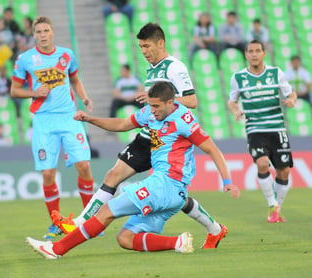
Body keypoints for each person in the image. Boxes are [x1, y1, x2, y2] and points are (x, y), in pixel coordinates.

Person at [52, 23, 232, 250]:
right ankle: (79, 223)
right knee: (118, 176)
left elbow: (192, 101)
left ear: (161, 43)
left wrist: (160, 100)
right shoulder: (152, 69)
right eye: (140, 47)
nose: (144, 51)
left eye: (147, 46)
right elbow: (130, 119)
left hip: (164, 139)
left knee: (173, 194)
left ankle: (214, 229)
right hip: (148, 135)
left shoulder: (175, 67)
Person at [26, 81, 240, 259]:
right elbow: (121, 124)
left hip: (165, 185)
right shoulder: (150, 112)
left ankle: (56, 249)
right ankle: (178, 242)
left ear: (170, 102)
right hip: (174, 195)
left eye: (156, 107)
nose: (152, 111)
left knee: (106, 212)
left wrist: (227, 181)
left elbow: (212, 149)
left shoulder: (184, 121)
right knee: (125, 239)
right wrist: (90, 119)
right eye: (151, 106)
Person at [10, 16, 95, 240]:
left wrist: (84, 98)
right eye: (38, 32)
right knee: (48, 172)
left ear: (52, 32)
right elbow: (14, 91)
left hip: (69, 117)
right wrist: (34, 93)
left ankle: (89, 219)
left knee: (84, 166)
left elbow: (75, 79)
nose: (43, 35)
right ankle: (56, 222)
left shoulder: (66, 55)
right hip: (43, 120)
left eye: (46, 30)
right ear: (34, 35)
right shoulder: (25, 59)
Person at [228, 39, 297, 223]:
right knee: (262, 164)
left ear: (264, 53)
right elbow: (232, 101)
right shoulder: (238, 77)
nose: (254, 54)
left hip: (277, 128)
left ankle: (276, 209)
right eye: (250, 51)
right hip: (255, 129)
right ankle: (272, 204)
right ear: (246, 54)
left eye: (258, 50)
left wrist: (291, 101)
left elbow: (291, 93)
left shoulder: (276, 73)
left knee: (284, 172)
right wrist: (235, 111)